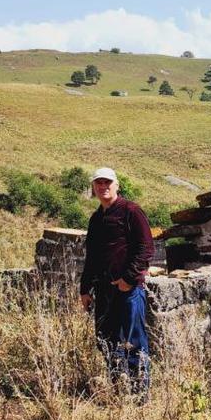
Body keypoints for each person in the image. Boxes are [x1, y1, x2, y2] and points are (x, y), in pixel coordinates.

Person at [79, 167, 154, 397]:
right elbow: (91, 256)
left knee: (133, 342)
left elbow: (146, 249)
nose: (103, 187)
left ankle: (140, 395)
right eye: (98, 183)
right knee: (106, 341)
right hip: (103, 291)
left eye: (107, 182)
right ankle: (118, 390)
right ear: (94, 188)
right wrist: (84, 289)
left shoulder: (131, 211)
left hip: (128, 291)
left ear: (117, 185)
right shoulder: (96, 219)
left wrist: (128, 280)